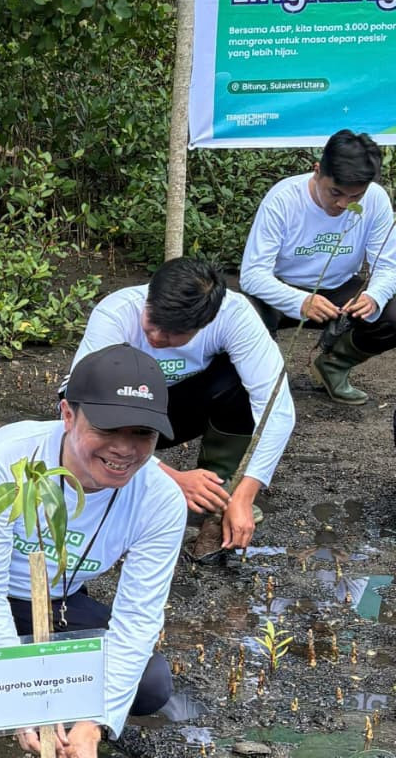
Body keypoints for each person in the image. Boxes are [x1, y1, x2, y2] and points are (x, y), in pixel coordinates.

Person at [0, 344, 184, 758]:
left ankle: (61, 712)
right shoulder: (6, 459)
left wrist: (94, 722)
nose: (124, 449)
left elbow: (138, 618)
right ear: (67, 415)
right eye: (107, 429)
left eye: (142, 434)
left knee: (150, 682)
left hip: (50, 602)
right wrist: (20, 703)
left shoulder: (161, 500)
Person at [68, 258, 295, 559]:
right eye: (152, 322)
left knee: (239, 381)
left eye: (173, 333)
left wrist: (246, 492)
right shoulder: (117, 311)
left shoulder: (234, 315)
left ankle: (217, 492)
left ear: (205, 323)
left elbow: (277, 409)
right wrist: (172, 477)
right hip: (124, 413)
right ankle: (125, 482)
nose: (156, 337)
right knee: (94, 421)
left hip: (180, 410)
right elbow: (76, 401)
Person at [240, 128, 396, 405]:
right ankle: (263, 381)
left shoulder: (376, 199)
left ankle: (333, 365)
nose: (343, 204)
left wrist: (374, 296)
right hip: (281, 288)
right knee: (243, 315)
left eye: (355, 197)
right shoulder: (283, 199)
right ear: (317, 171)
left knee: (393, 313)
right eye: (335, 192)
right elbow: (252, 275)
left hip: (339, 289)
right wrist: (299, 300)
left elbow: (387, 266)